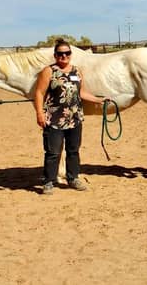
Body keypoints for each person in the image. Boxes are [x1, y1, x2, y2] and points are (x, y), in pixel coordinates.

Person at [34, 39, 108, 195]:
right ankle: (49, 181)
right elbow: (39, 93)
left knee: (73, 150)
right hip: (54, 119)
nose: (63, 56)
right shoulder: (48, 71)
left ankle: (73, 178)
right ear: (55, 55)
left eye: (66, 53)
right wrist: (40, 113)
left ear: (70, 54)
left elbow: (81, 92)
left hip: (74, 118)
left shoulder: (76, 71)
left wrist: (98, 99)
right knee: (53, 152)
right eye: (60, 53)